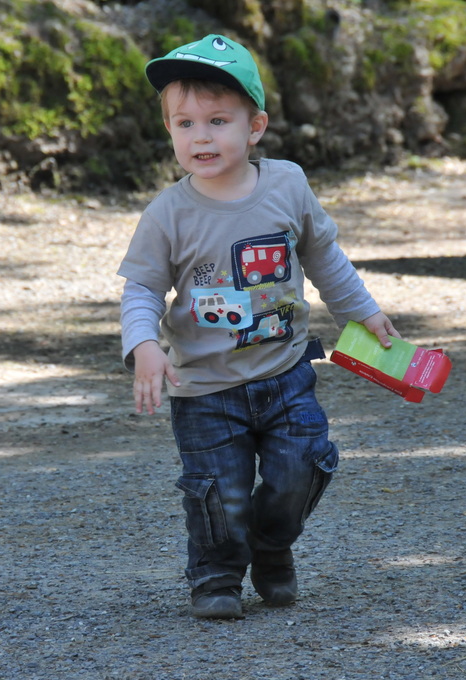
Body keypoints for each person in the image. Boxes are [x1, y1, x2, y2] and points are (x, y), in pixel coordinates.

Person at [117, 34, 400, 619]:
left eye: (218, 121)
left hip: (285, 371)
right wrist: (144, 345)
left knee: (304, 466)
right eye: (185, 123)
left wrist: (363, 313)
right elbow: (142, 289)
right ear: (169, 130)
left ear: (255, 127)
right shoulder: (167, 215)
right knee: (217, 491)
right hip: (205, 389)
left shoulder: (287, 185)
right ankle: (217, 576)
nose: (200, 137)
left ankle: (272, 545)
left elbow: (324, 257)